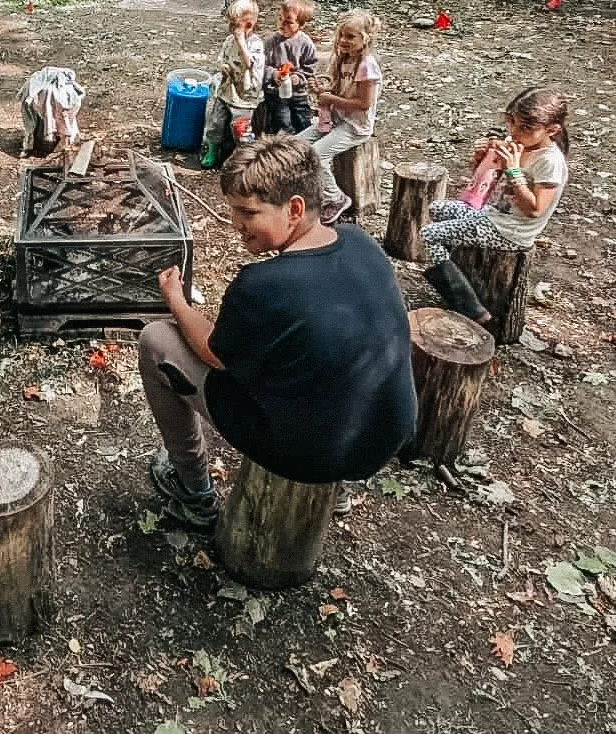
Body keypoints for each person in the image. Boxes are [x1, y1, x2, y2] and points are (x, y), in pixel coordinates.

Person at [138, 135, 416, 530]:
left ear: (294, 208)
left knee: (156, 341)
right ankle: (339, 492)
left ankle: (193, 492)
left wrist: (176, 300)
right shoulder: (360, 242)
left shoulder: (262, 284)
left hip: (310, 455)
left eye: (248, 213)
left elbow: (214, 354)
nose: (236, 226)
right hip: (383, 436)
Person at [421, 87, 571, 325]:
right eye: (511, 122)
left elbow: (535, 209)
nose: (514, 131)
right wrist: (482, 162)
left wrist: (513, 170)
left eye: (525, 128)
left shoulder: (549, 162)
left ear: (551, 130)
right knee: (438, 208)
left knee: (429, 234)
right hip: (492, 215)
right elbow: (487, 188)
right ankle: (459, 270)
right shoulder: (519, 145)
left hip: (510, 232)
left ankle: (468, 305)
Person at [296, 9, 383, 226]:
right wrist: (322, 87)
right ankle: (313, 188)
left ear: (366, 39)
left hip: (355, 126)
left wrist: (331, 99)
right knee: (296, 145)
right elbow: (336, 86)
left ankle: (336, 198)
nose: (344, 40)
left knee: (317, 154)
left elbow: (364, 104)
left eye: (351, 36)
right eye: (342, 35)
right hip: (336, 118)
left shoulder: (366, 66)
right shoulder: (342, 59)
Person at [201, 0, 265, 168]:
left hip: (244, 95)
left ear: (249, 25)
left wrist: (241, 40)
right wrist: (223, 66)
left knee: (240, 128)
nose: (230, 28)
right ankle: (212, 150)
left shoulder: (255, 44)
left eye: (234, 24)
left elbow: (251, 63)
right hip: (226, 89)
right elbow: (223, 57)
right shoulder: (229, 40)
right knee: (216, 122)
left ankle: (244, 158)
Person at [258, 0, 318, 135]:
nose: (281, 25)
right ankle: (287, 146)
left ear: (301, 25)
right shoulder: (271, 42)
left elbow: (310, 67)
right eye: (280, 19)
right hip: (276, 93)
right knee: (283, 123)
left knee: (303, 121)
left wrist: (298, 77)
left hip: (298, 93)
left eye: (288, 22)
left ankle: (305, 146)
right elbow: (261, 65)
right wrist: (274, 74)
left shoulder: (305, 44)